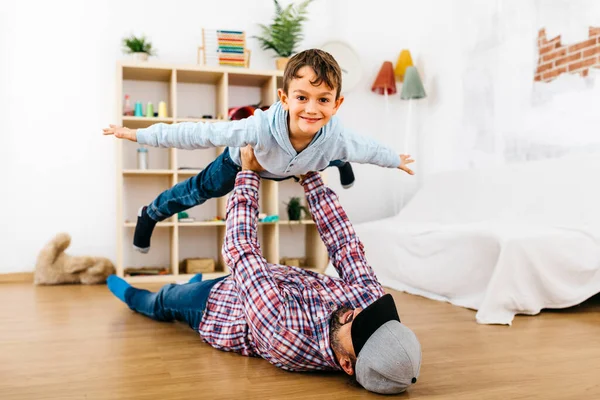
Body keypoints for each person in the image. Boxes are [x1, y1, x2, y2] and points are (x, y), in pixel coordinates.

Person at [106, 146, 421, 395]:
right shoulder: (369, 303)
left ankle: (132, 295)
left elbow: (241, 251)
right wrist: (311, 177)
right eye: (376, 317)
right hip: (264, 279)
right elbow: (344, 244)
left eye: (359, 326)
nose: (357, 311)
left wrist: (247, 173)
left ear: (346, 365)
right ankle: (185, 284)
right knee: (194, 287)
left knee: (166, 300)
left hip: (215, 304)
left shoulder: (286, 336)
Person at [103, 48, 414, 254]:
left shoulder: (337, 136)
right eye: (302, 97)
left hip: (297, 163)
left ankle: (340, 164)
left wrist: (395, 160)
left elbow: (370, 149)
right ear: (284, 98)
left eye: (323, 100)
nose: (311, 108)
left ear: (337, 103)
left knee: (338, 151)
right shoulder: (257, 128)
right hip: (242, 163)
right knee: (197, 192)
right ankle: (151, 214)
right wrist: (138, 134)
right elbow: (199, 132)